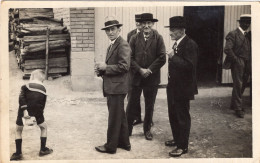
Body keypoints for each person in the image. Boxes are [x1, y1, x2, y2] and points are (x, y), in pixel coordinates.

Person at [94, 16, 131, 154]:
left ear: (119, 30)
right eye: (107, 30)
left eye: (113, 29)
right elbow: (111, 66)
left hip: (117, 88)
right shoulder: (112, 45)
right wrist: (101, 71)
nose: (110, 32)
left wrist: (105, 68)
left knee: (114, 118)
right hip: (113, 86)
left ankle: (110, 147)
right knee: (119, 116)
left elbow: (124, 67)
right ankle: (125, 143)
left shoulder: (123, 44)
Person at [126, 13, 166, 141]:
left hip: (151, 78)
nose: (146, 26)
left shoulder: (158, 38)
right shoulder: (134, 38)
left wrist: (149, 70)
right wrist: (139, 69)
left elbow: (162, 58)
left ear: (152, 24)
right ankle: (127, 129)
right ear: (140, 25)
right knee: (132, 103)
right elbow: (129, 58)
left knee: (150, 105)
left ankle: (147, 129)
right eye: (144, 23)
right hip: (136, 77)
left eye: (149, 23)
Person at [164, 16, 198, 157]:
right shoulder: (177, 43)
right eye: (170, 30)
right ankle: (178, 139)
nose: (170, 33)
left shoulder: (190, 44)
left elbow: (190, 66)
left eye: (172, 30)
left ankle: (182, 146)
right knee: (173, 115)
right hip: (173, 87)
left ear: (181, 30)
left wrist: (173, 57)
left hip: (183, 88)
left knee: (182, 116)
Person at [10, 69, 53, 160]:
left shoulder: (25, 86)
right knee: (43, 127)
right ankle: (43, 149)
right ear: (42, 80)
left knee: (18, 130)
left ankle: (18, 153)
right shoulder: (44, 89)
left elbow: (21, 99)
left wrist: (25, 110)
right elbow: (43, 103)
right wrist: (39, 116)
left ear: (32, 77)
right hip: (38, 111)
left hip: (24, 109)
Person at [223, 14, 251, 118]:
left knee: (243, 84)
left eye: (249, 22)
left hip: (247, 62)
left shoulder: (247, 35)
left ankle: (235, 105)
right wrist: (236, 60)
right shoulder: (233, 34)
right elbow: (227, 49)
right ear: (240, 22)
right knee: (238, 84)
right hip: (238, 62)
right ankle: (238, 108)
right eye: (245, 22)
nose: (247, 24)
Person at [126, 14, 143, 126]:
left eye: (140, 22)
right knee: (132, 95)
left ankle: (148, 120)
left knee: (146, 95)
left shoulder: (150, 34)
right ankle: (136, 116)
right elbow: (129, 52)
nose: (138, 24)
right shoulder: (130, 34)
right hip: (133, 69)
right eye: (136, 22)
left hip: (145, 69)